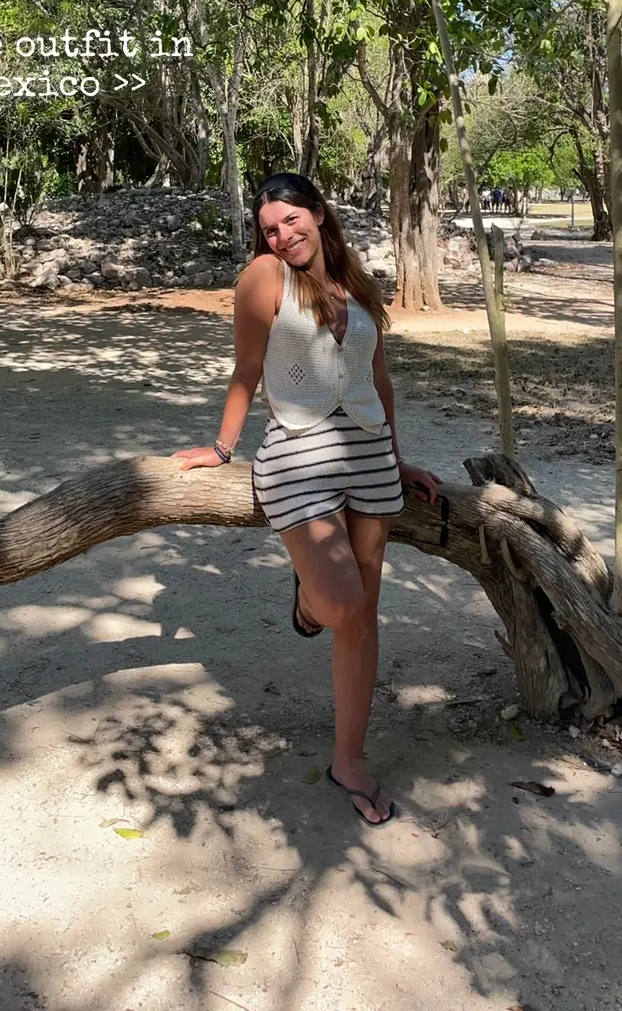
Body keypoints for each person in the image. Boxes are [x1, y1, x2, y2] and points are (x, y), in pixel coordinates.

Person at [172, 172, 441, 827]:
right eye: (270, 227)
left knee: (363, 615)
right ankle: (307, 599)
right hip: (299, 456)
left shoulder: (359, 281)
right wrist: (222, 447)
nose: (281, 234)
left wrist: (398, 458)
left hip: (370, 457)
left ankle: (349, 759)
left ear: (318, 214)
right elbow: (246, 368)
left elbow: (378, 378)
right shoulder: (264, 278)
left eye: (291, 220)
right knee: (341, 604)